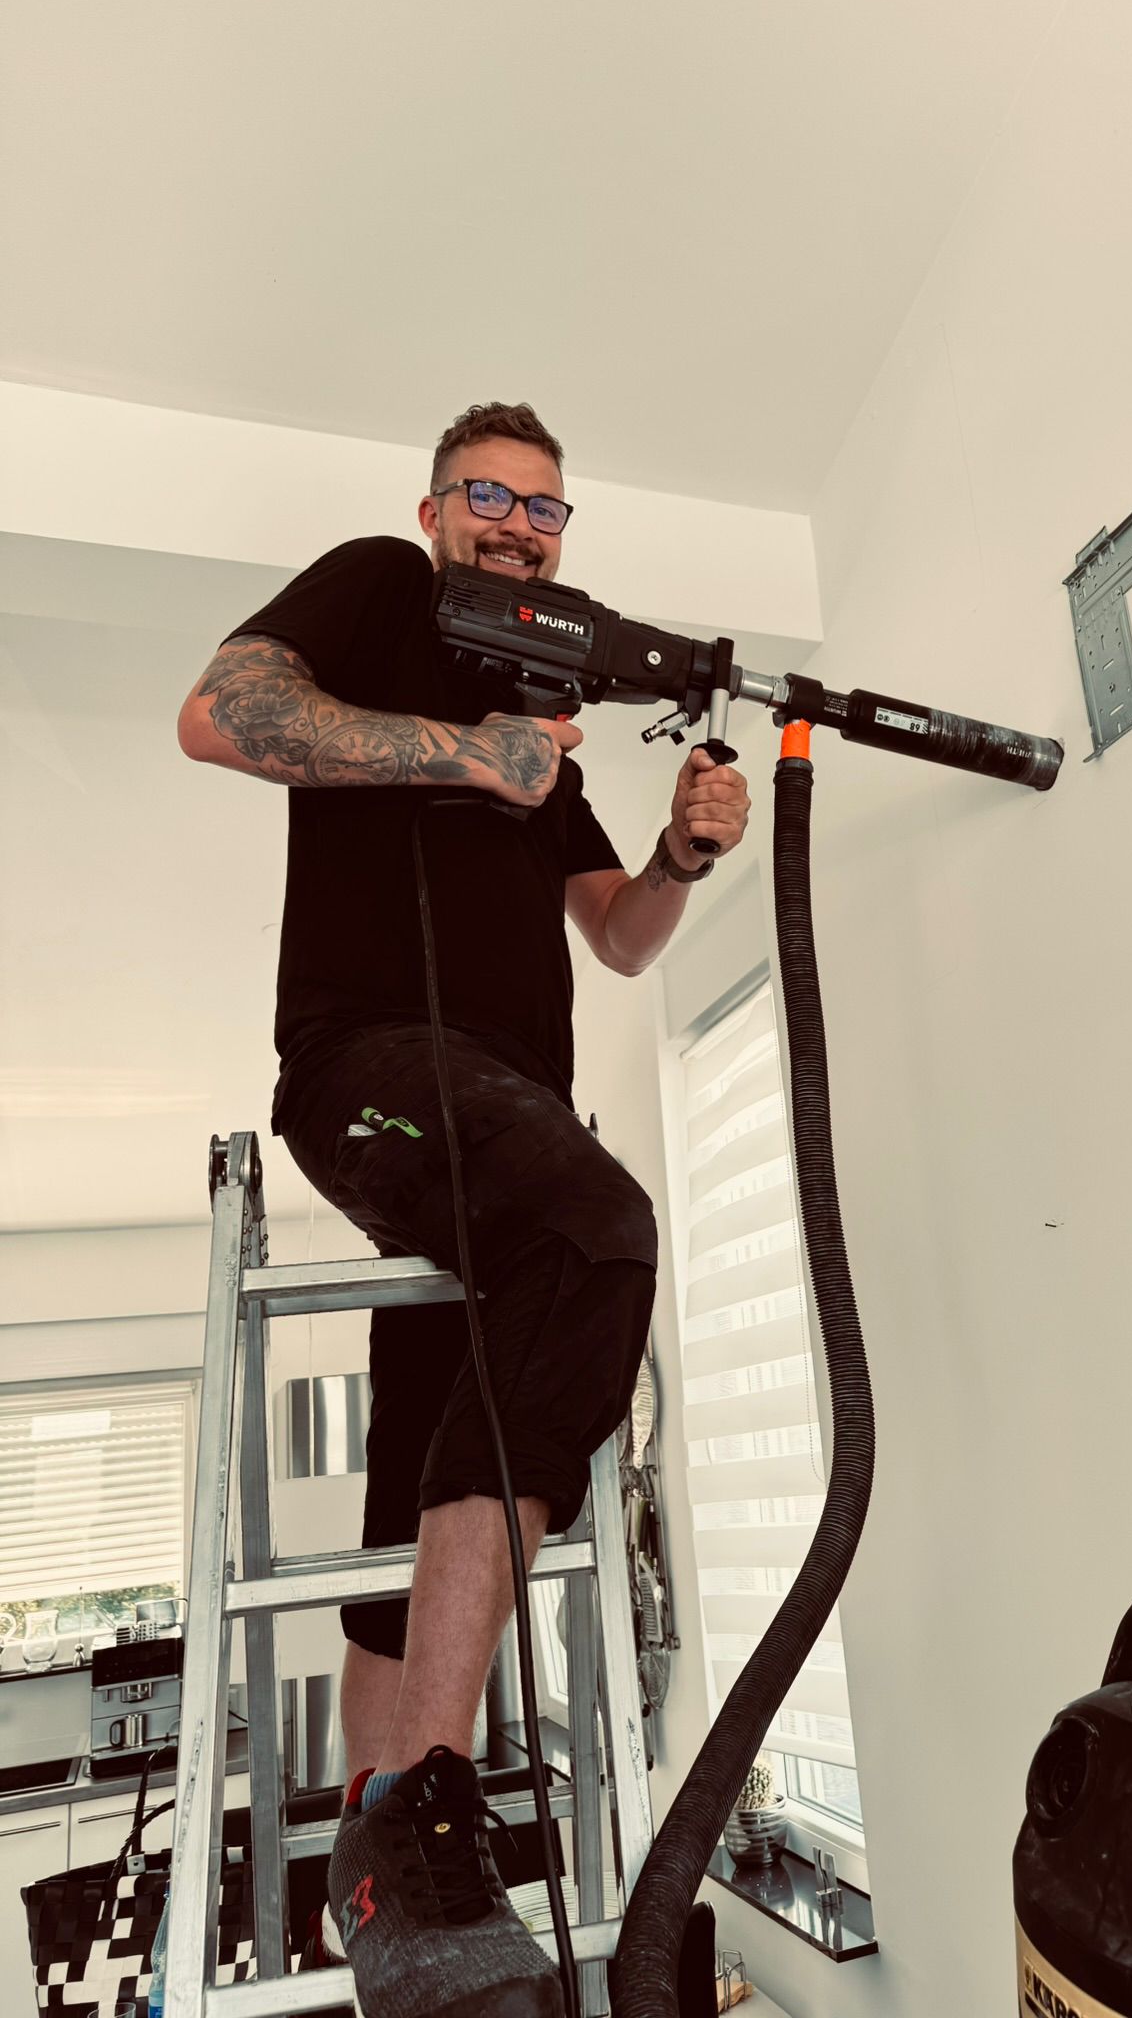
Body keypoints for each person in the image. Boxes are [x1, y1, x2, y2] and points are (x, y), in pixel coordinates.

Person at [176, 400, 751, 2016]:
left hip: (502, 1119)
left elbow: (617, 938)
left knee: (425, 1470)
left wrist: (679, 855)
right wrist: (464, 754)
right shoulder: (381, 592)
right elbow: (219, 714)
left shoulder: (540, 727)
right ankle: (422, 1810)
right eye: (487, 496)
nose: (516, 524)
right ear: (435, 513)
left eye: (544, 509)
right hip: (369, 1063)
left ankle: (384, 1891)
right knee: (597, 1232)